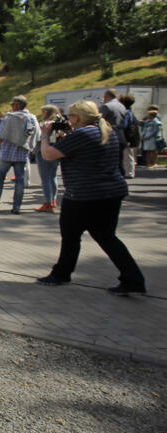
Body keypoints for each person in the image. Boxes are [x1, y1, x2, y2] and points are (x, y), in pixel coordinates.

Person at [36, 100, 146, 295]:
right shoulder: (107, 131)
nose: (68, 120)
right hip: (111, 191)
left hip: (84, 194)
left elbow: (49, 155)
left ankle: (61, 274)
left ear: (77, 117)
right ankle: (133, 278)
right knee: (107, 236)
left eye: (70, 116)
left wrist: (45, 136)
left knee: (70, 236)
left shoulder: (82, 134)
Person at [0, 95, 38, 214]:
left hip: (7, 152)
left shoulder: (9, 117)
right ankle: (16, 206)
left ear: (16, 105)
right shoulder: (31, 118)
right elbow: (35, 135)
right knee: (19, 180)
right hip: (22, 152)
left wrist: (3, 146)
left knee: (0, 178)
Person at [33, 105, 62, 213]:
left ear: (47, 112)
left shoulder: (45, 124)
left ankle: (47, 202)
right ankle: (53, 200)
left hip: (44, 151)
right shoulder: (58, 122)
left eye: (43, 111)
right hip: (56, 150)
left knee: (45, 177)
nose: (41, 114)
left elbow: (39, 136)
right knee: (53, 176)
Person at [99, 89, 127, 175]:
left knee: (108, 161)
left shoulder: (106, 106)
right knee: (119, 160)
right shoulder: (122, 106)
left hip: (109, 135)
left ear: (106, 96)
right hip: (120, 134)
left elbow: (100, 120)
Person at [119, 94, 139, 178]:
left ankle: (129, 173)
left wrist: (128, 139)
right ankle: (128, 171)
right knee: (128, 155)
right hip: (130, 137)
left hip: (128, 137)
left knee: (128, 155)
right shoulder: (129, 112)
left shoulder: (127, 113)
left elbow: (129, 126)